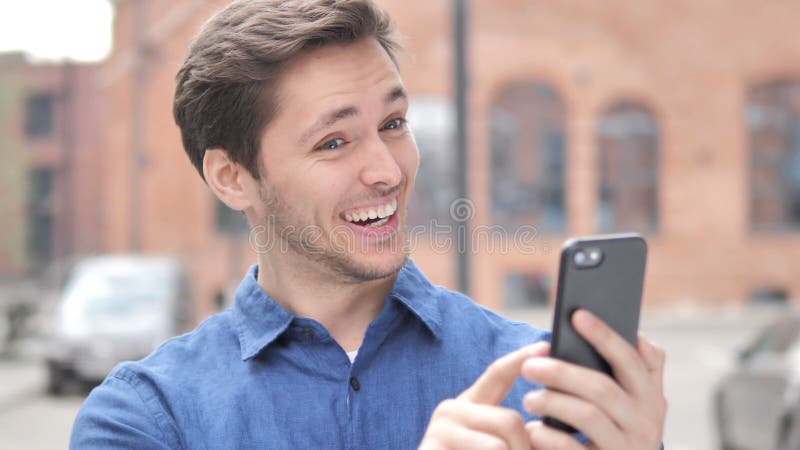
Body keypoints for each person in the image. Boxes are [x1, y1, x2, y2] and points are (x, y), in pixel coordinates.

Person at [70, 1, 666, 448]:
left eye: (393, 123)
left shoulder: (545, 385)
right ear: (232, 178)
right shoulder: (147, 419)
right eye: (334, 141)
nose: (387, 170)